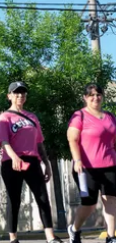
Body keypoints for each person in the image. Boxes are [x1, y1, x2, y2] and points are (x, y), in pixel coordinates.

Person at [0, 81, 62, 243]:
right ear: (9, 96)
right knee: (14, 199)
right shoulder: (5, 117)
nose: (20, 95)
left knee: (42, 197)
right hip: (12, 162)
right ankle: (13, 238)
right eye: (16, 92)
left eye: (23, 92)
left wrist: (46, 163)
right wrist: (14, 157)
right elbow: (3, 141)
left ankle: (50, 237)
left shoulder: (32, 117)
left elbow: (39, 143)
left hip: (32, 160)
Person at [67, 83, 116, 243]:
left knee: (111, 199)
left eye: (98, 94)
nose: (96, 97)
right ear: (85, 98)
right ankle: (74, 229)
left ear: (102, 96)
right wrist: (77, 160)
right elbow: (72, 139)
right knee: (89, 204)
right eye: (91, 95)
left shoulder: (110, 117)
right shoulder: (79, 116)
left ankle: (111, 236)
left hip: (110, 164)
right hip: (86, 167)